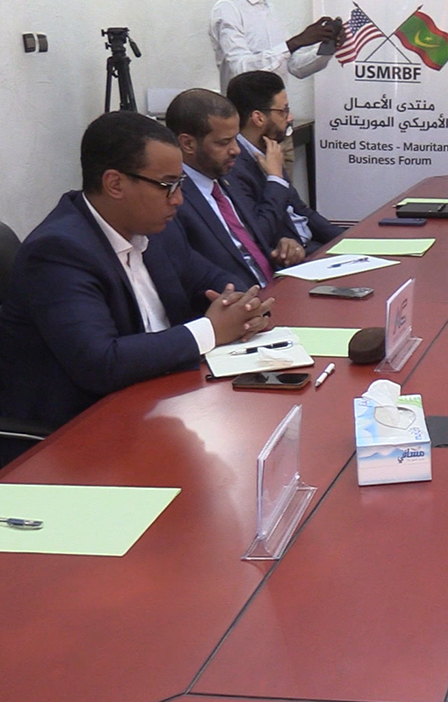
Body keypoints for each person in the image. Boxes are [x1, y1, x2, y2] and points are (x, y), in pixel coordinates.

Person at [0, 112, 272, 464]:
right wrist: (211, 330)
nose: (178, 200)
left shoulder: (156, 230)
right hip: (77, 440)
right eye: (167, 185)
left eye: (181, 184)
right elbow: (101, 363)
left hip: (165, 406)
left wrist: (242, 307)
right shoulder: (57, 252)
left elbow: (218, 280)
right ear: (115, 184)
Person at [167, 89, 305, 290]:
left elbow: (254, 241)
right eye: (223, 142)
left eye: (235, 138)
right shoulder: (174, 200)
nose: (236, 150)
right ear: (188, 144)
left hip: (278, 286)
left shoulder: (225, 179)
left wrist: (284, 248)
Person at [226, 70, 340, 254]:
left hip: (314, 248)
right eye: (283, 111)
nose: (290, 117)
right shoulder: (233, 166)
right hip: (291, 257)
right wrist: (276, 179)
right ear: (258, 118)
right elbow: (260, 233)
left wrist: (348, 240)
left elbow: (302, 211)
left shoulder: (269, 148)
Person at [209, 0, 344, 92]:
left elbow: (296, 67)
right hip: (244, 116)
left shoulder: (269, 8)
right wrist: (296, 42)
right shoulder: (227, 8)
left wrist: (328, 46)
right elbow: (241, 69)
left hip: (277, 115)